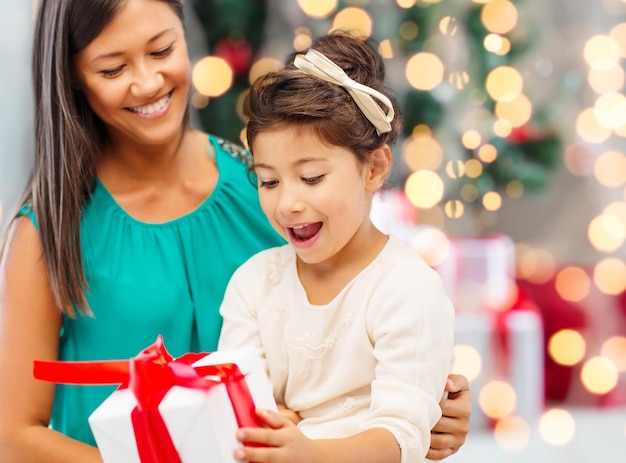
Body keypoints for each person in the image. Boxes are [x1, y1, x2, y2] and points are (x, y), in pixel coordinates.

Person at [0, 1, 470, 462]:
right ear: (73, 78)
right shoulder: (49, 230)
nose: (146, 82)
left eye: (162, 51)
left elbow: (361, 340)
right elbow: (14, 438)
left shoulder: (267, 188)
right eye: (112, 69)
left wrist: (434, 404)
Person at [217, 31, 457, 463]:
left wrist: (308, 452)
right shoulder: (254, 283)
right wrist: (266, 421)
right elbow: (236, 406)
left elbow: (402, 437)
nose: (287, 203)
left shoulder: (407, 289)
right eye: (268, 181)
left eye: (311, 178)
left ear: (374, 168)